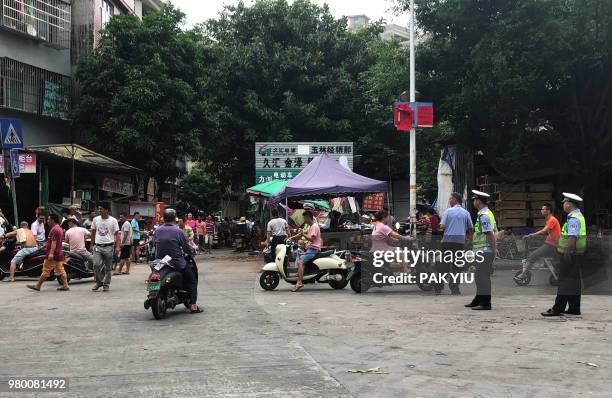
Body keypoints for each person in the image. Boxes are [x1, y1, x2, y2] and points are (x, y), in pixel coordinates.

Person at [542, 193, 586, 317]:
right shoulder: (577, 216)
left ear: (569, 204)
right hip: (575, 253)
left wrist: (566, 252)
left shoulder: (574, 218)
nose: (563, 205)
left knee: (564, 282)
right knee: (573, 282)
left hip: (570, 254)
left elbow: (572, 237)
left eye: (564, 202)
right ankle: (574, 308)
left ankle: (558, 308)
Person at [154, 208, 202, 313]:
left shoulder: (157, 230)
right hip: (176, 262)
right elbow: (186, 248)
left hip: (160, 262)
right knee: (192, 280)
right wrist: (193, 250)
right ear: (174, 219)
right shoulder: (178, 231)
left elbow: (155, 245)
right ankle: (193, 306)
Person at [466, 190, 497, 310]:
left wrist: (494, 250)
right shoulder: (487, 213)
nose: (474, 202)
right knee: (479, 276)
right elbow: (496, 231)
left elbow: (490, 234)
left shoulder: (484, 215)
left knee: (482, 277)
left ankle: (485, 303)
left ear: (478, 201)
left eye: (474, 200)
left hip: (485, 251)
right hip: (482, 250)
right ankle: (478, 299)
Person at [437, 192, 474, 295]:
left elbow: (442, 227)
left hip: (447, 243)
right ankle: (455, 288)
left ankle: (438, 288)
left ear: (455, 200)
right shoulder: (466, 213)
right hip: (459, 243)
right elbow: (471, 229)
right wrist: (468, 240)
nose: (449, 200)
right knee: (457, 266)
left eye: (450, 199)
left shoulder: (448, 212)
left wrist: (441, 227)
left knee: (444, 265)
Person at [514, 203, 561, 283]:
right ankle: (530, 269)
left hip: (551, 246)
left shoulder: (552, 220)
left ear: (548, 211)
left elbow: (543, 231)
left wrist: (530, 235)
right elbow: (544, 233)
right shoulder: (549, 220)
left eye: (543, 209)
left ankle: (523, 275)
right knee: (535, 252)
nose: (541, 211)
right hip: (550, 244)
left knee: (533, 256)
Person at [26, 214, 69, 291]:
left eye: (48, 219)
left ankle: (38, 286)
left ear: (52, 220)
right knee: (61, 270)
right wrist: (43, 247)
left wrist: (51, 253)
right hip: (58, 253)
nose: (47, 221)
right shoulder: (59, 228)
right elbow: (50, 241)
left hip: (53, 254)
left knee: (46, 270)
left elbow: (54, 243)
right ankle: (65, 285)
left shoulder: (55, 229)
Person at [91, 202, 120, 292]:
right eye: (99, 209)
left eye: (101, 209)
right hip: (98, 246)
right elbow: (93, 232)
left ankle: (106, 284)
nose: (99, 210)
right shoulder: (95, 219)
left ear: (107, 210)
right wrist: (92, 244)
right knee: (96, 264)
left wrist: (118, 247)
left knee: (108, 267)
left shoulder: (113, 221)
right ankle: (99, 282)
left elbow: (117, 235)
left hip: (109, 246)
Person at [291, 210, 322, 292]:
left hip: (313, 250)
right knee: (300, 257)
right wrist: (293, 237)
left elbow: (312, 239)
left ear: (308, 218)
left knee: (300, 262)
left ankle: (299, 282)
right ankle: (301, 275)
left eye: (305, 218)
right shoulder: (310, 226)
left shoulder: (314, 226)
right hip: (310, 248)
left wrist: (303, 234)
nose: (304, 220)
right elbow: (303, 233)